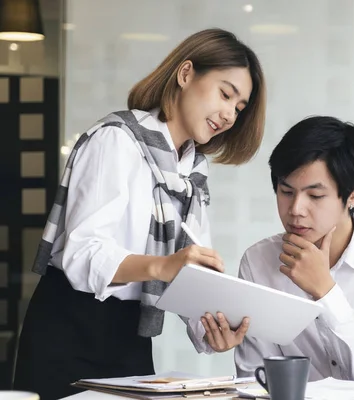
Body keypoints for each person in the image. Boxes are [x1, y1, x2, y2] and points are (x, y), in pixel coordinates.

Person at [13, 28, 266, 399]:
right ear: (185, 74)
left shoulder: (192, 173)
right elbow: (82, 253)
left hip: (129, 339)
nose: (229, 114)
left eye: (239, 108)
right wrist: (161, 266)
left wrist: (212, 329)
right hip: (69, 330)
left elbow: (188, 274)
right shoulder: (117, 140)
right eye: (225, 94)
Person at [232, 116, 354, 383]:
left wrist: (326, 291)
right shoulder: (258, 261)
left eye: (315, 196)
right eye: (286, 191)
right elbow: (255, 380)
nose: (295, 210)